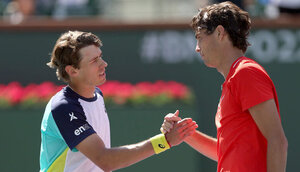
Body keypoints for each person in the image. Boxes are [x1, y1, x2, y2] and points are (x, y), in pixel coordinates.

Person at [39, 30, 198, 172]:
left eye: (100, 57)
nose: (104, 64)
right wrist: (164, 141)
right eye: (94, 61)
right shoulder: (63, 107)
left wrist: (165, 133)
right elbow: (106, 160)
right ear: (72, 70)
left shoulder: (97, 95)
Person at [161, 1, 288, 172]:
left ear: (220, 33)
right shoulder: (236, 77)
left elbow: (277, 140)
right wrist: (185, 133)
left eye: (200, 37)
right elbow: (225, 152)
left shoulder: (245, 73)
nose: (197, 48)